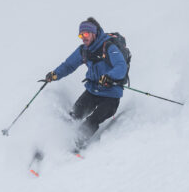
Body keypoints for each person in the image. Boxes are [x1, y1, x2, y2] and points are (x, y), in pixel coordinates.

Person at [43, 17, 127, 148]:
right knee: (73, 116)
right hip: (92, 91)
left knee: (92, 120)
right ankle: (54, 143)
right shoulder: (83, 50)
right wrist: (55, 74)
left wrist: (109, 77)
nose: (83, 37)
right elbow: (68, 66)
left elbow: (121, 66)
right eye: (80, 35)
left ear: (94, 33)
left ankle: (73, 145)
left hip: (111, 95)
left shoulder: (109, 46)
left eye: (86, 34)